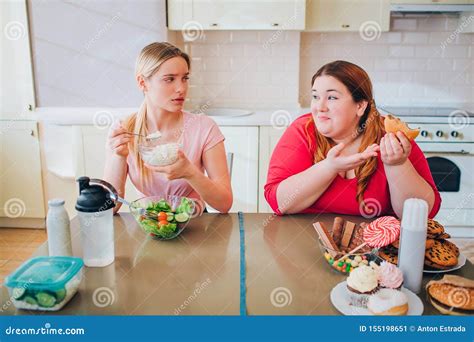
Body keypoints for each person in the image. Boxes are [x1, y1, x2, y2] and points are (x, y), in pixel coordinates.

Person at [264, 60, 441, 218]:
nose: (319, 107)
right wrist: (329, 167)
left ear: (360, 106)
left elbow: (425, 212)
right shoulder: (303, 130)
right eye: (316, 96)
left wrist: (397, 165)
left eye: (332, 97)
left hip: (371, 250)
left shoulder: (390, 137)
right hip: (305, 243)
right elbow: (279, 203)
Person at [104, 42, 232, 214]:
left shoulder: (204, 127)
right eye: (169, 79)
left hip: (194, 224)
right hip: (149, 223)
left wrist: (190, 173)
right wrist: (118, 156)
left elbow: (224, 204)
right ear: (143, 83)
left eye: (185, 78)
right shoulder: (125, 130)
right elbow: (110, 208)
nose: (181, 89)